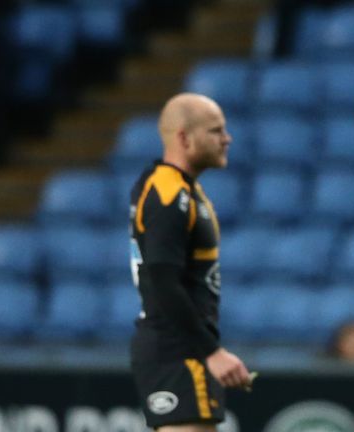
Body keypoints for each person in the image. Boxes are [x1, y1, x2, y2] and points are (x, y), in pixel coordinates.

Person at [129, 93, 251, 431]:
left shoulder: (182, 189)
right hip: (176, 351)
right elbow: (162, 281)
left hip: (184, 348)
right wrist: (211, 351)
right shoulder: (168, 194)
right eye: (216, 131)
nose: (226, 138)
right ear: (184, 137)